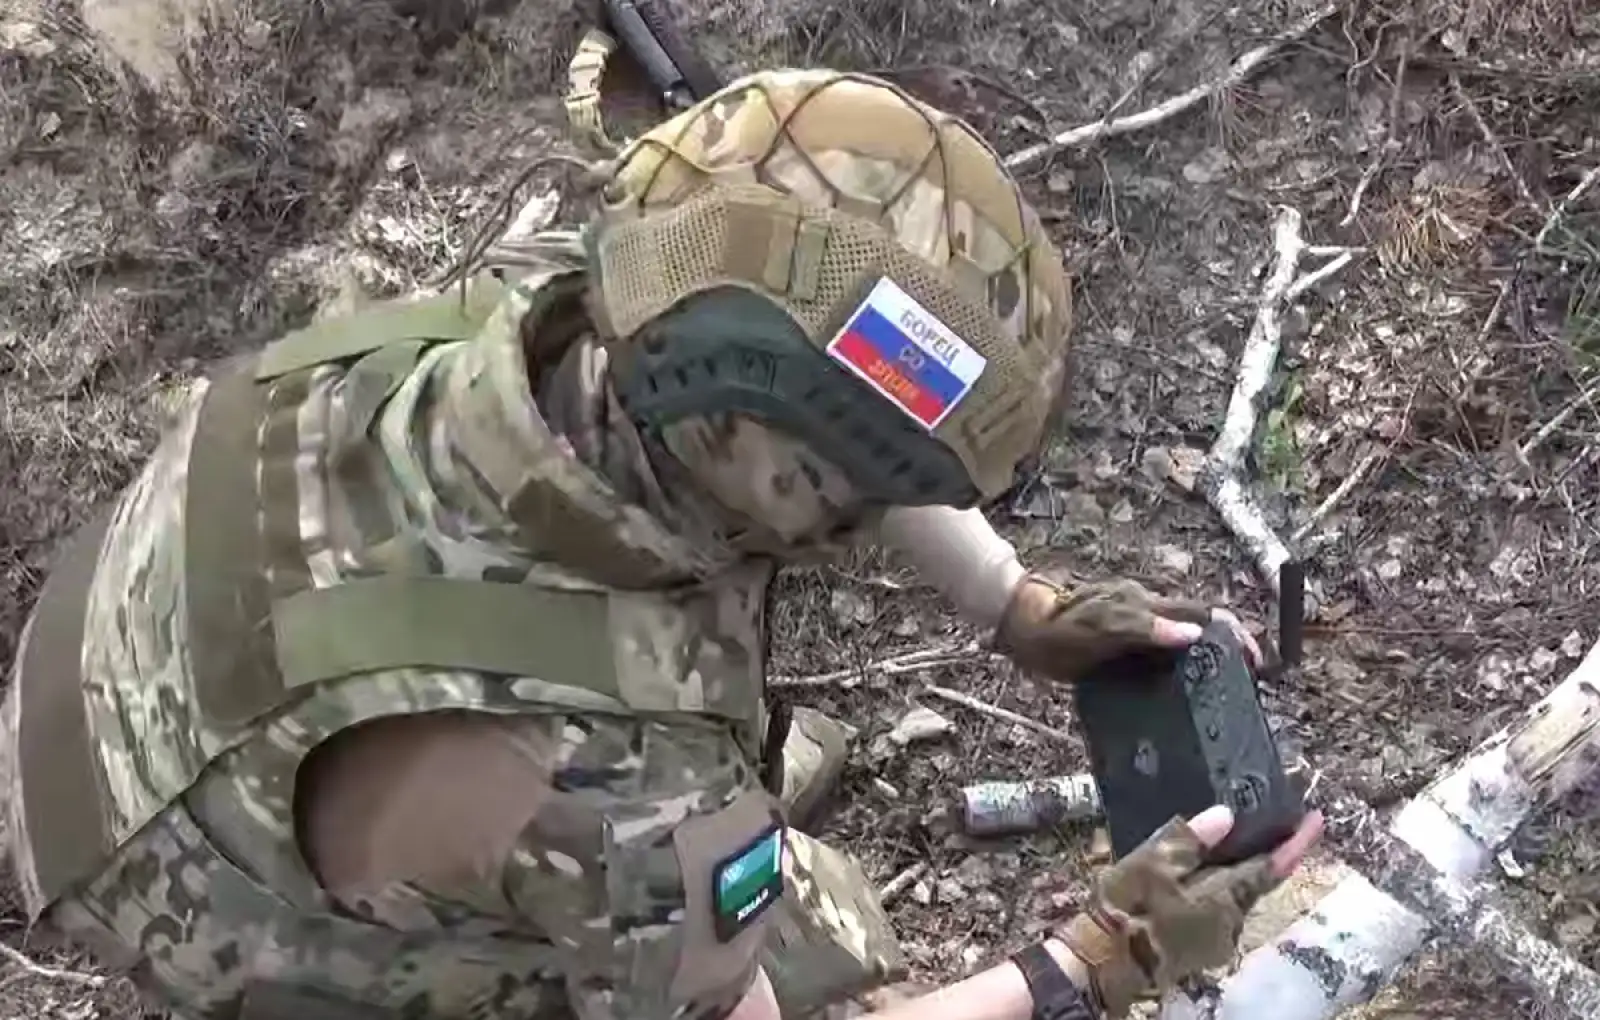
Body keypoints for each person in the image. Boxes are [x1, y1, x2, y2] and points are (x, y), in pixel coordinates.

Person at [0, 67, 1322, 1020]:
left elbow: (814, 396)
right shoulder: (623, 794)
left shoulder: (584, 285)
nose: (877, 509)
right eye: (869, 489)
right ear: (794, 476)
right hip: (159, 875)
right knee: (795, 939)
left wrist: (1016, 602)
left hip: (123, 647)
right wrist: (1089, 961)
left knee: (725, 880)